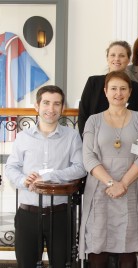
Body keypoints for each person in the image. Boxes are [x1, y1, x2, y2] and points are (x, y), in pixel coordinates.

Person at [5, 85, 87, 267]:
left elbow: (81, 168)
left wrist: (50, 177)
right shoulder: (23, 137)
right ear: (37, 106)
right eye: (46, 103)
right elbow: (11, 167)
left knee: (62, 264)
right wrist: (23, 181)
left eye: (57, 104)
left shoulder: (72, 136)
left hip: (60, 215)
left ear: (62, 108)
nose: (51, 109)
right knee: (26, 264)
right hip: (28, 214)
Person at [79, 71, 138, 268]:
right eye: (113, 88)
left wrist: (123, 184)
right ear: (105, 91)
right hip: (100, 188)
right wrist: (112, 183)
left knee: (128, 249)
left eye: (123, 89)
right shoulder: (93, 120)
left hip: (130, 186)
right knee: (98, 249)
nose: (118, 93)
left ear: (130, 92)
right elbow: (88, 157)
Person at [78, 40, 138, 136]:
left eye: (121, 56)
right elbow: (83, 115)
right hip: (94, 144)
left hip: (126, 144)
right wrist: (87, 142)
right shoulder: (93, 83)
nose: (117, 59)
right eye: (113, 55)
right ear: (107, 58)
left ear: (128, 60)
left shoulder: (136, 88)